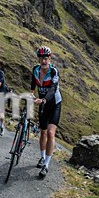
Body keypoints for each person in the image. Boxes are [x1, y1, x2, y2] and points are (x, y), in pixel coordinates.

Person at [31, 46, 61, 178]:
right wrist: (31, 93)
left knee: (50, 133)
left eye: (46, 58)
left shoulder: (54, 71)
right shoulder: (35, 70)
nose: (44, 61)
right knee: (42, 132)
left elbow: (53, 89)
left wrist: (43, 100)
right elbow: (33, 83)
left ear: (50, 58)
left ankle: (46, 165)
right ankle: (42, 157)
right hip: (42, 104)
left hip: (54, 104)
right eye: (41, 58)